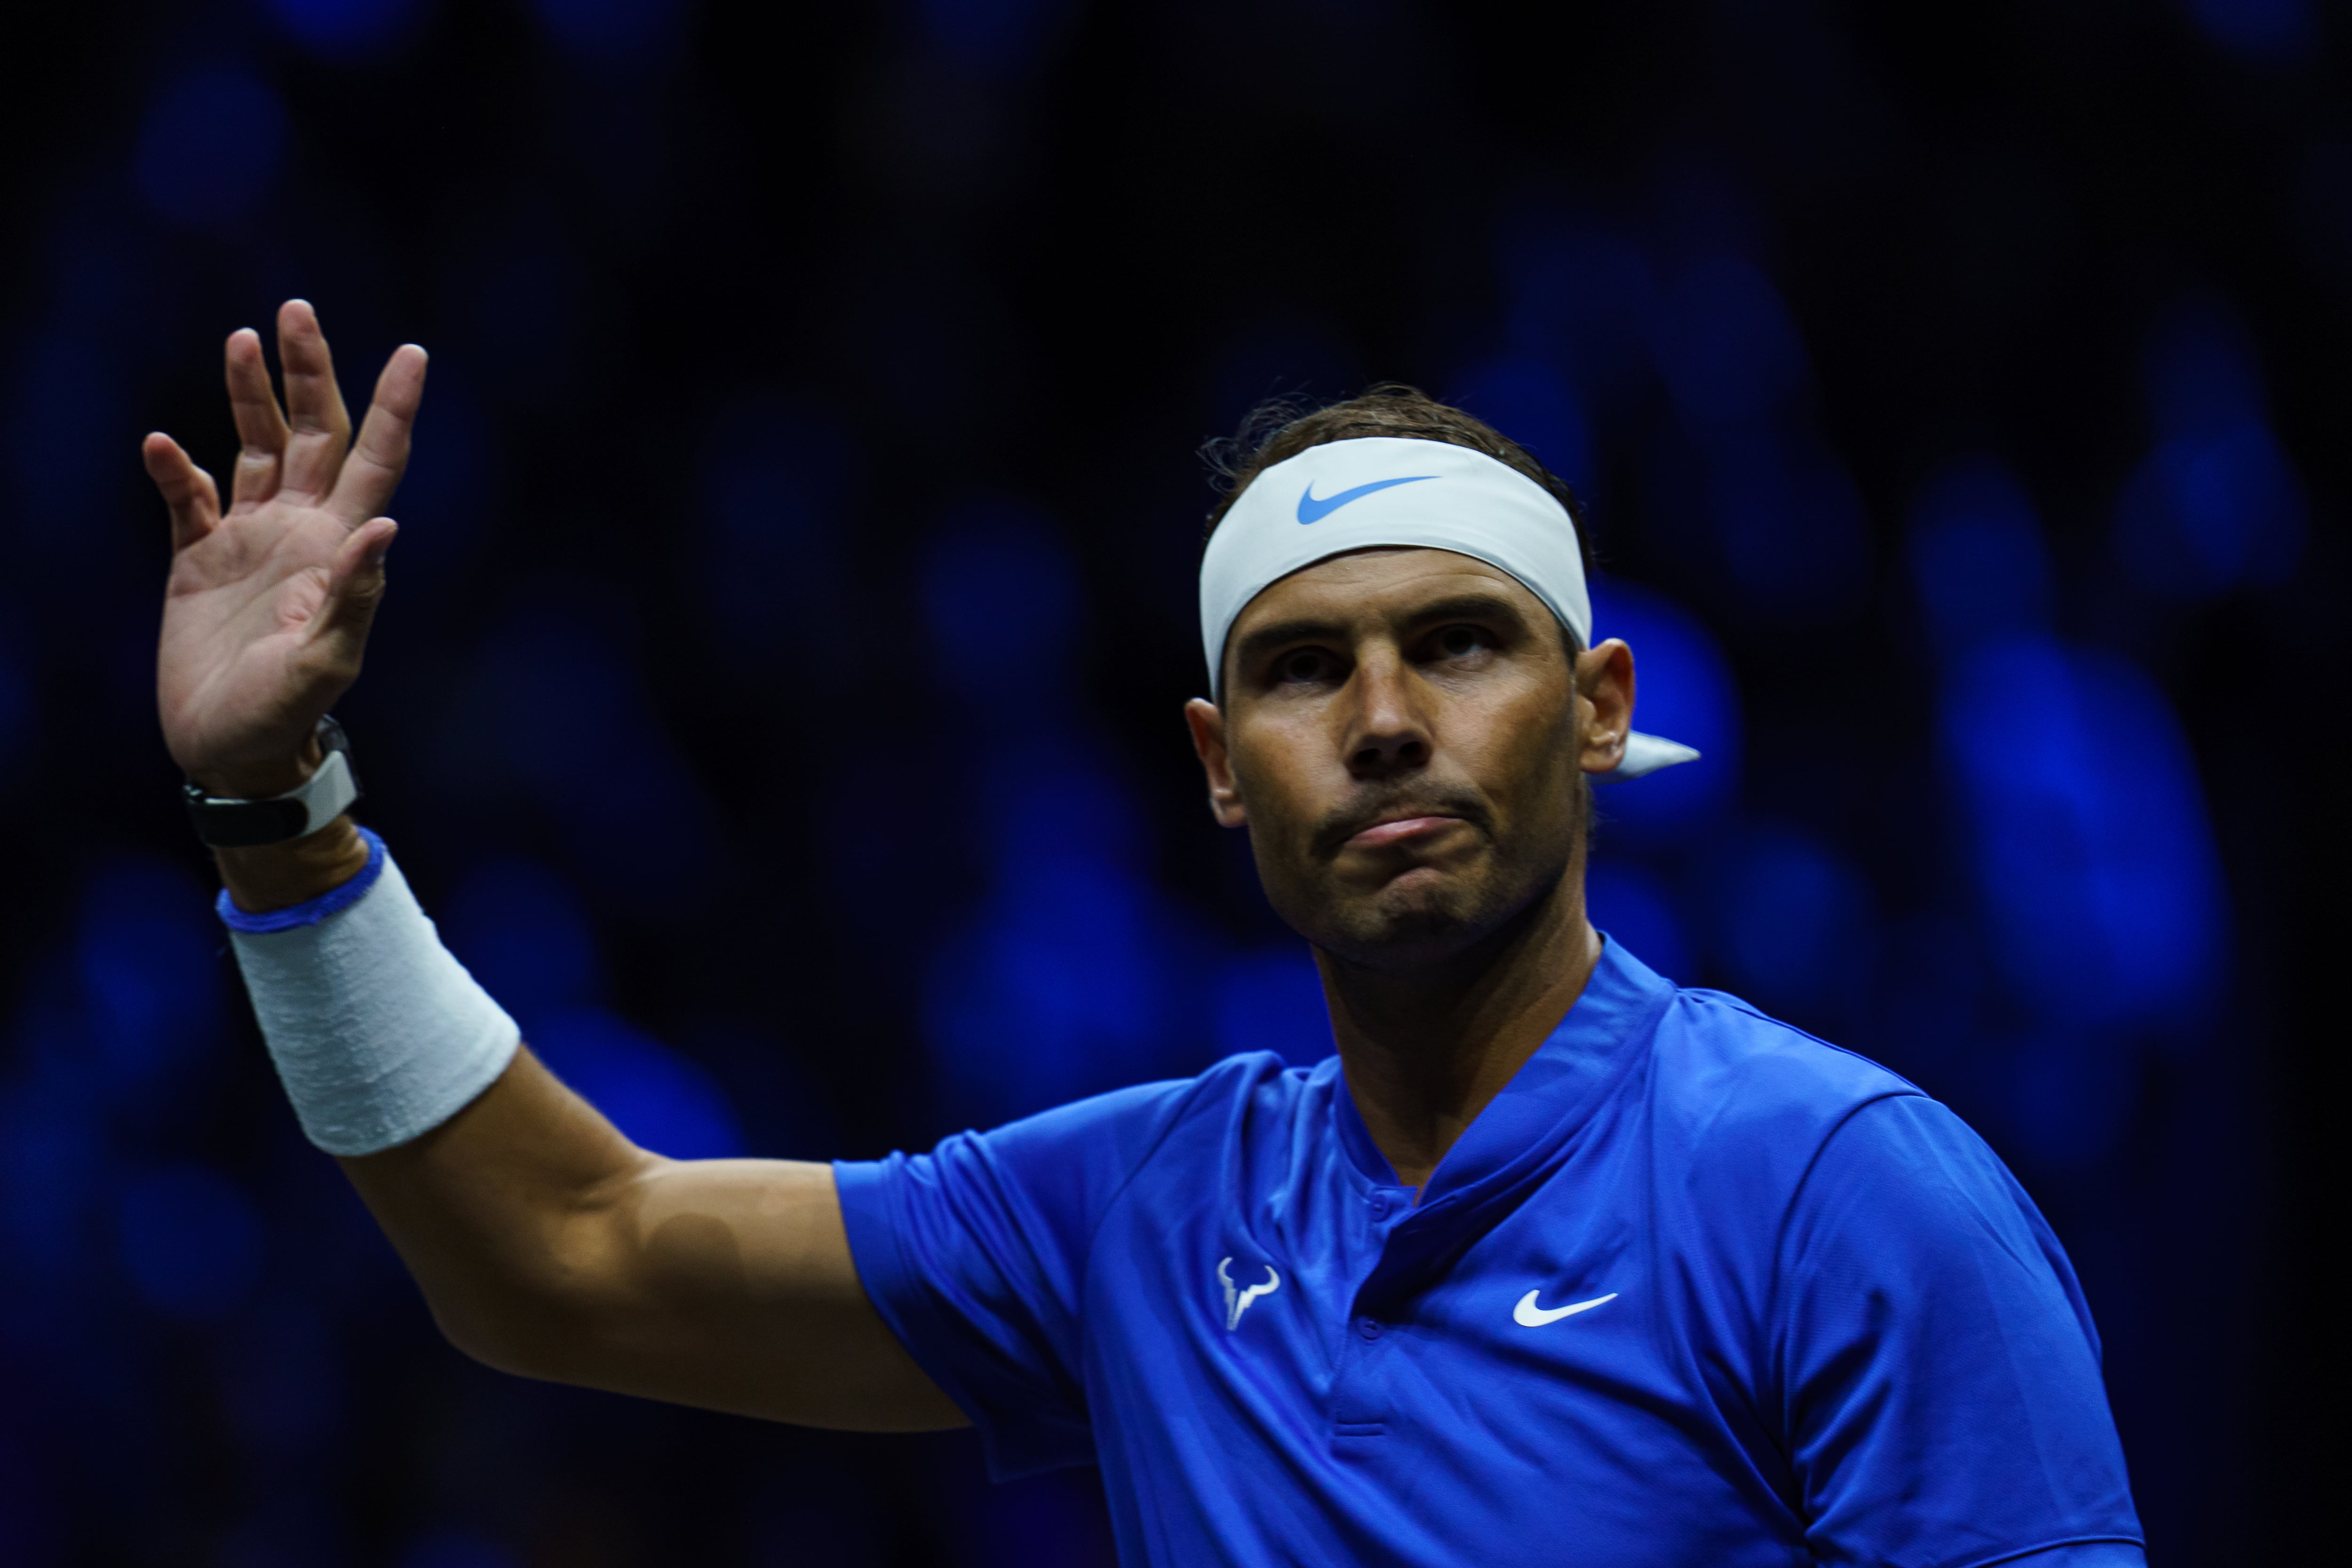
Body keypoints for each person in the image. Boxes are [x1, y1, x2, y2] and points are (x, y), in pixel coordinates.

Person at [146, 300, 2145, 1567]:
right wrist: (273, 815)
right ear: (1214, 760)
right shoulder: (1142, 1211)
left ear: (1599, 711)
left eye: (1455, 646)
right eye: (1299, 671)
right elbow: (563, 1259)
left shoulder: (1839, 1195)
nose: (1379, 719)